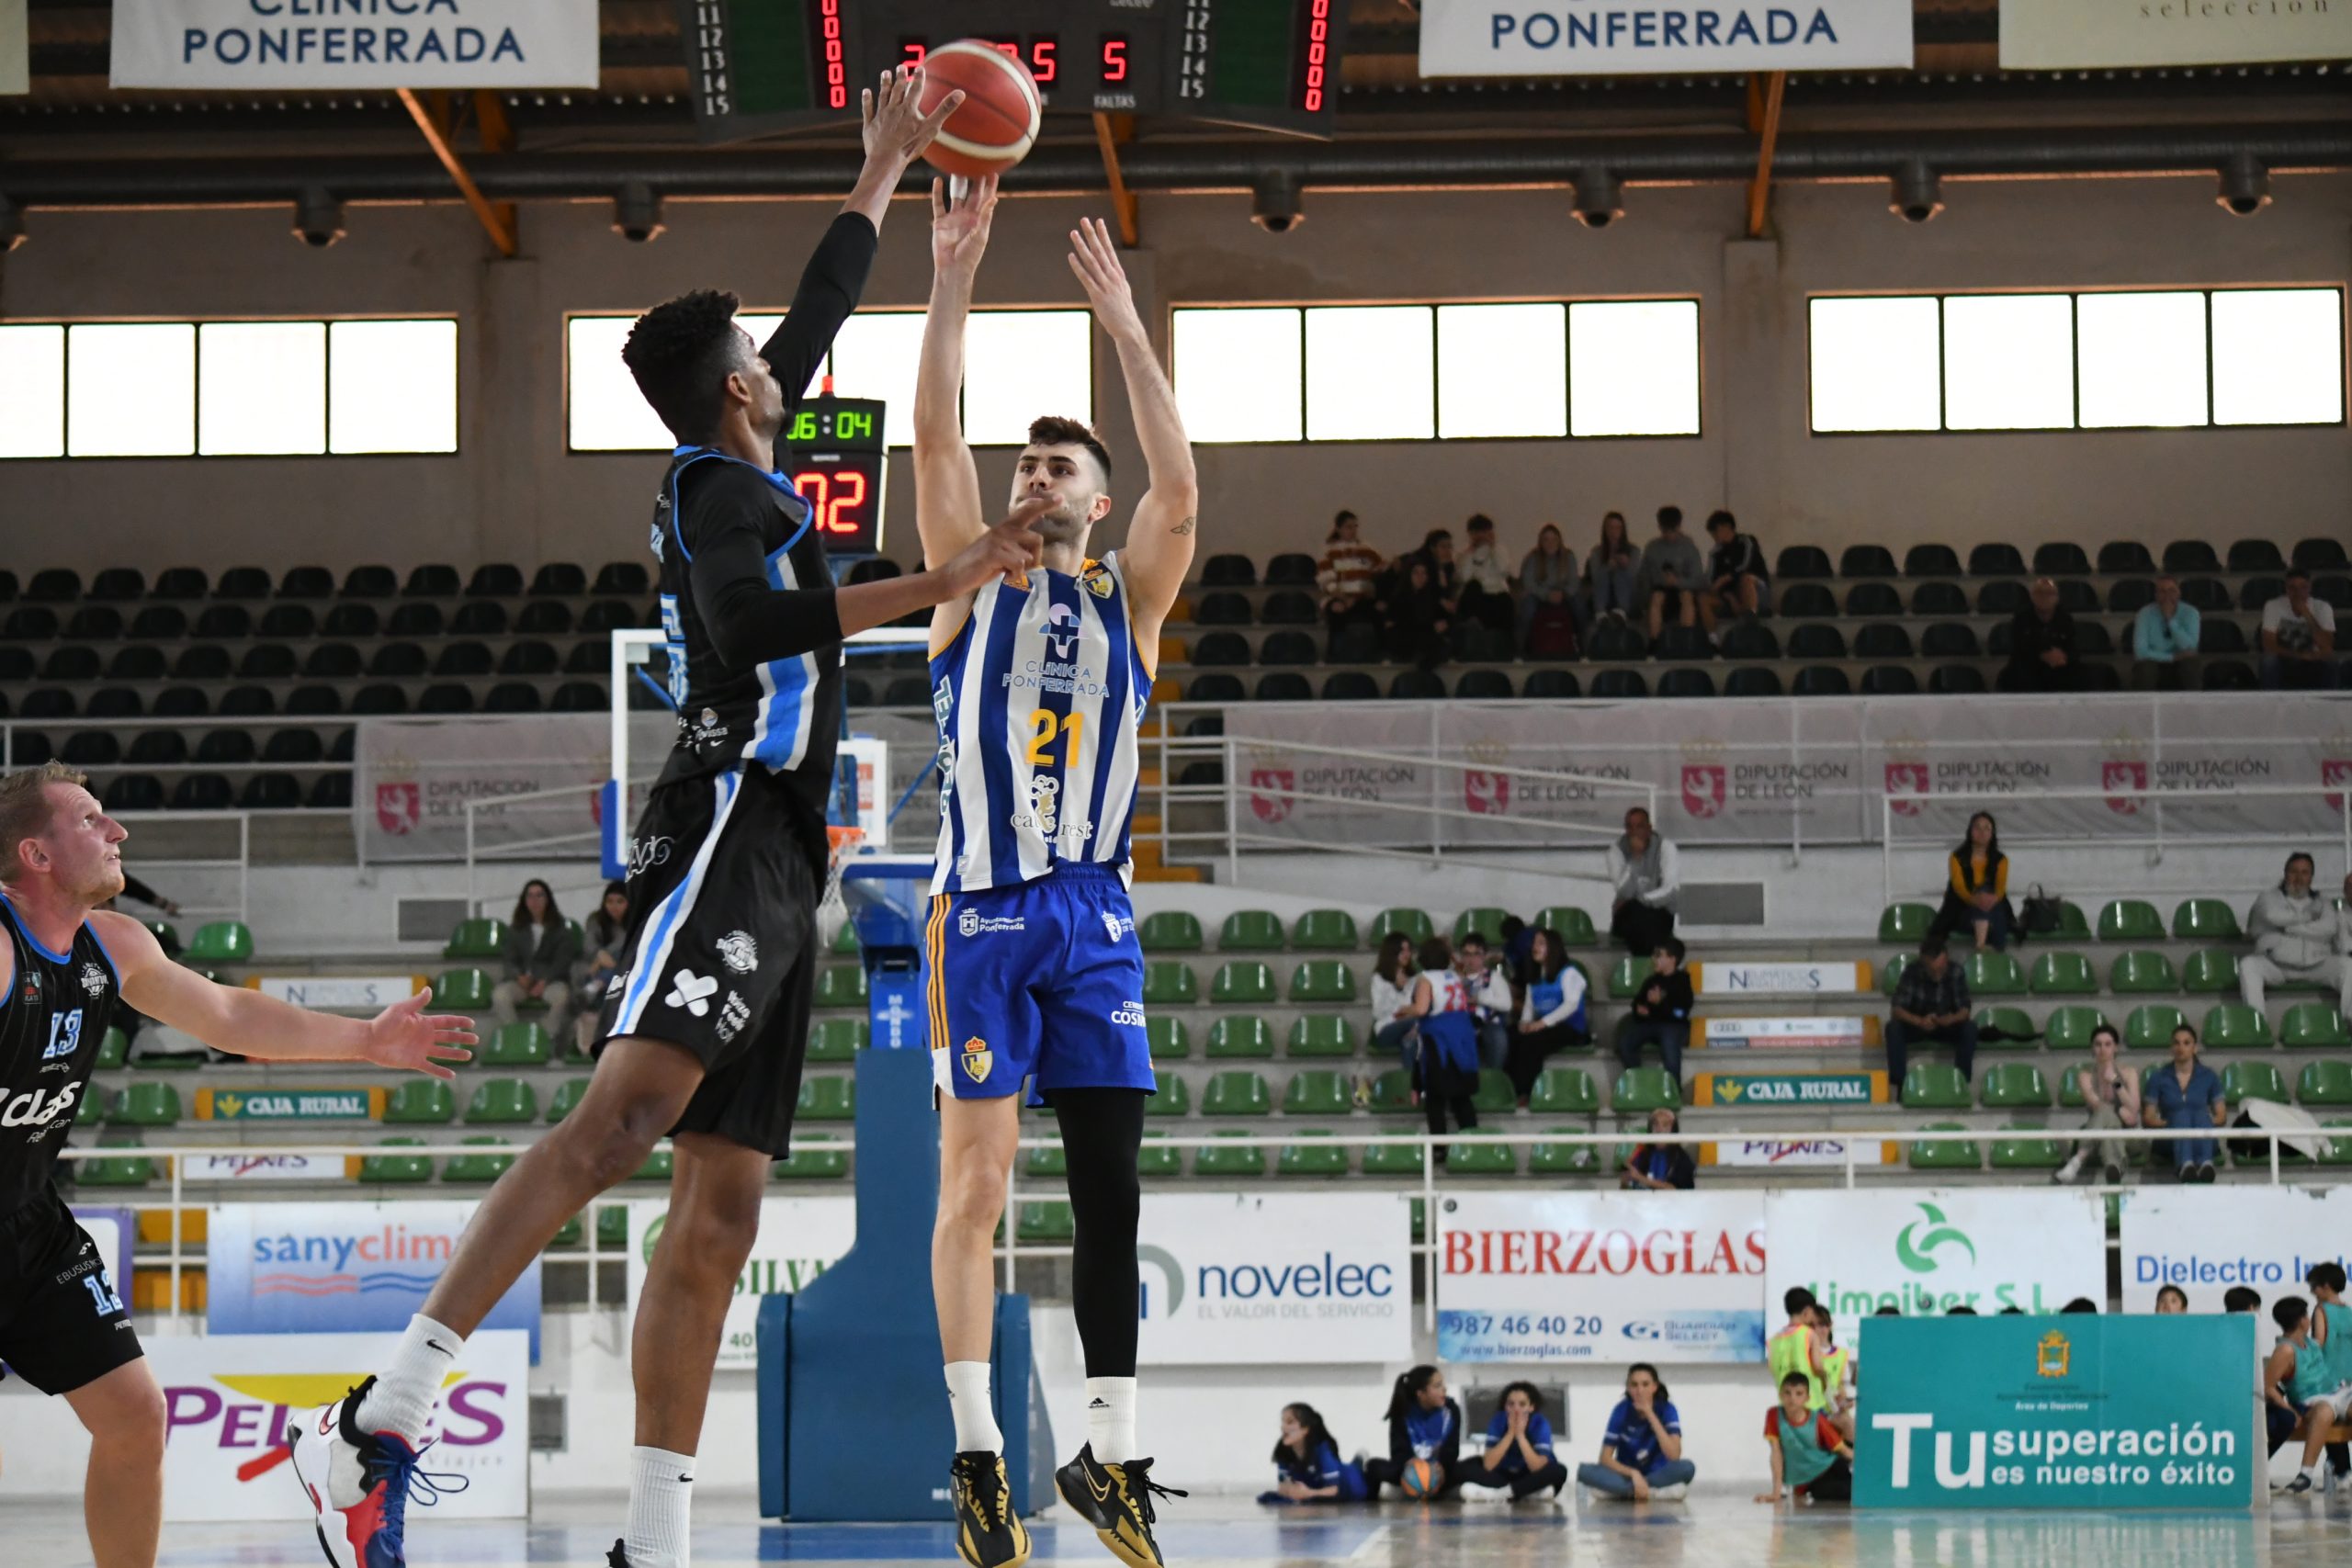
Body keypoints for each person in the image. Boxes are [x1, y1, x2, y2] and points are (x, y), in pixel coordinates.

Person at [293, 73, 1028, 1568]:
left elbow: (818, 310)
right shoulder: (712, 496)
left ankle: (654, 1539)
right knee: (622, 1119)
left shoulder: (743, 454)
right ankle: (380, 1410)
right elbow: (763, 628)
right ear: (739, 390)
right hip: (726, 832)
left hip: (786, 856)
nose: (784, 360)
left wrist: (879, 163)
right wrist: (943, 585)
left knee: (725, 1204)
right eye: (764, 358)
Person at [915, 178, 1201, 1568]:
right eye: (1025, 464)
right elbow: (927, 430)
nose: (1036, 477)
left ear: (1097, 501)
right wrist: (951, 274)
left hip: (1092, 913)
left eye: (1058, 467)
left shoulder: (1127, 601)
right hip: (981, 911)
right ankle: (978, 1457)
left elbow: (1185, 491)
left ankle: (1111, 1453)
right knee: (975, 1193)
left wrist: (1126, 326)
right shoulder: (970, 585)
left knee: (1113, 1193)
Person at [0, 761, 471, 1568]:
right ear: (36, 854)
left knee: (135, 1415)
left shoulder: (112, 945)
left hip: (29, 1224)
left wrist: (365, 1038)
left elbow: (230, 1015)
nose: (118, 833)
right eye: (90, 820)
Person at [2244, 852, 2352, 1014]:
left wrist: (2288, 929)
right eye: (2293, 871)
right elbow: (2273, 917)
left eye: (2304, 872)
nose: (2298, 877)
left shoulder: (2323, 902)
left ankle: (2350, 1019)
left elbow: (2328, 928)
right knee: (2249, 965)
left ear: (2311, 877)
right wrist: (2310, 918)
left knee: (2348, 965)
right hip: (2277, 964)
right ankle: (2256, 1022)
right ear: (2285, 873)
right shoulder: (2268, 897)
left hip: (2316, 964)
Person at [1405, 936, 1482, 1152]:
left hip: (1440, 1041)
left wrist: (1404, 1010)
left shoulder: (1425, 980)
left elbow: (1421, 1009)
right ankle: (1474, 1145)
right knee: (1461, 1098)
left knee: (1435, 1099)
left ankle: (1439, 1149)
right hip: (1462, 1038)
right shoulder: (1454, 977)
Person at [1576, 1364, 1692, 1502]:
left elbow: (1674, 1455)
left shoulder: (1667, 1409)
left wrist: (1650, 1414)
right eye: (1634, 1385)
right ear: (1628, 1388)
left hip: (1657, 1474)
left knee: (1687, 1467)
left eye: (1645, 1385)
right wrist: (1634, 1474)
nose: (1639, 1390)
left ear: (1655, 1387)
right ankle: (1650, 1492)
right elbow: (1605, 1458)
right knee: (1584, 1472)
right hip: (1627, 1475)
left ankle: (1628, 1492)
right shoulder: (1621, 1410)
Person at [2278, 1290, 2352, 1494]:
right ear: (2303, 1321)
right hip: (2310, 1400)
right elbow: (2268, 1386)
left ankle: (2342, 1471)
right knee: (2325, 1412)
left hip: (2336, 1393)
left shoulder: (2311, 1344)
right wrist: (2289, 1410)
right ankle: (2306, 1475)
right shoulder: (2285, 1350)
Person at [490, 878, 581, 1045]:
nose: (535, 901)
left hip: (551, 981)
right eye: (530, 896)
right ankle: (515, 1037)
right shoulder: (515, 929)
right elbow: (509, 960)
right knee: (500, 995)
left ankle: (544, 1039)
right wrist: (519, 977)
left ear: (548, 900)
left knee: (562, 996)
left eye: (540, 896)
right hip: (522, 982)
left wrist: (545, 981)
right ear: (524, 901)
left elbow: (563, 962)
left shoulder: (561, 930)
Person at [1503, 928, 1589, 1100]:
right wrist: (1525, 1023)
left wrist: (1541, 1024)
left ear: (1553, 947)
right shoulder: (1535, 976)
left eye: (1541, 943)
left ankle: (1526, 1092)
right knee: (1511, 1035)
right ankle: (1507, 1088)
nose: (1535, 947)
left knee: (1532, 1042)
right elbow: (1529, 1005)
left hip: (1569, 1027)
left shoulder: (1569, 973)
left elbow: (1571, 1005)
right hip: (1544, 1025)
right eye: (1534, 943)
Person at [2055, 1024, 2139, 1187]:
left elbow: (2134, 1110)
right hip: (2099, 1134)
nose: (2103, 1049)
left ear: (2115, 1047)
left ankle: (2078, 1160)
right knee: (2106, 1114)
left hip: (2127, 1135)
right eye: (2098, 1044)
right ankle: (2114, 1167)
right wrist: (2121, 1110)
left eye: (2108, 1044)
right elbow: (2097, 1106)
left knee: (2108, 1116)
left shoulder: (2129, 1073)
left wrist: (2115, 1082)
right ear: (2093, 1048)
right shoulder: (2085, 1076)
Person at [1886, 938, 1977, 1088]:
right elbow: (1897, 1009)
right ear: (1924, 962)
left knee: (1970, 1029)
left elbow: (1965, 1010)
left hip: (1946, 1025)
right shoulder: (1912, 972)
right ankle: (1900, 1083)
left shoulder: (1956, 971)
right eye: (1934, 969)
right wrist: (1919, 1021)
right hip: (1917, 1024)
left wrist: (1950, 1019)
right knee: (1893, 1028)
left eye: (1942, 967)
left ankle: (1961, 1080)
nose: (1938, 972)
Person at [1457, 1382, 1569, 1503]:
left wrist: (1520, 1435)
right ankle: (1525, 1493)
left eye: (1522, 1404)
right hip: (1504, 1474)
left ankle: (1503, 1493)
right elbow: (1488, 1465)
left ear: (1531, 1407)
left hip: (1529, 1474)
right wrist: (1510, 1433)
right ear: (1505, 1406)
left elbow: (1536, 1467)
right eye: (1511, 1404)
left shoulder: (1540, 1423)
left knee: (1559, 1471)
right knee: (1466, 1466)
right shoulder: (1498, 1420)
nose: (1516, 1409)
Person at [1362, 1366, 1463, 1498]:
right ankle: (1408, 1488)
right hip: (1411, 1471)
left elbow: (1452, 1447)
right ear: (1421, 1393)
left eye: (1443, 1384)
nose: (1444, 1389)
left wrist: (1442, 1466)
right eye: (1437, 1386)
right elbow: (1398, 1450)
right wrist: (1410, 1464)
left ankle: (1440, 1490)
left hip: (1439, 1471)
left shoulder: (1451, 1410)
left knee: (1468, 1468)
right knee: (1373, 1466)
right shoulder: (1402, 1412)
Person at [1755, 1371, 1854, 1506]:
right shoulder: (1774, 1415)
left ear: (1807, 1398)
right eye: (1787, 1393)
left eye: (1799, 1393)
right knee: (1839, 1492)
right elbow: (1776, 1453)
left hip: (1831, 1467)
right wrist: (1776, 1492)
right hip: (1812, 1483)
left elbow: (1843, 1450)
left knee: (1857, 1490)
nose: (1792, 1399)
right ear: (1780, 1395)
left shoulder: (1816, 1419)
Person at [2147, 1023, 2224, 1183]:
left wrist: (2200, 1123)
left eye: (2186, 1043)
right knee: (2182, 1115)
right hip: (2170, 1138)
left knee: (2200, 1115)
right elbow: (2148, 1117)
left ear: (2195, 1048)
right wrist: (2173, 1123)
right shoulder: (2158, 1077)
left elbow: (2221, 1116)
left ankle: (2205, 1165)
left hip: (2202, 1135)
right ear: (2171, 1047)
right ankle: (2185, 1166)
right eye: (2176, 1043)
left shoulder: (2209, 1076)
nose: (2181, 1047)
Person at [1931, 810, 2013, 952]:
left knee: (1991, 899)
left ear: (1992, 834)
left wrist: (1990, 900)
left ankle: (1983, 948)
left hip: (1992, 910)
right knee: (1983, 893)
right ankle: (1995, 952)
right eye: (1977, 827)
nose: (1982, 832)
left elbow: (2000, 890)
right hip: (1963, 912)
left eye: (1987, 828)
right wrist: (1976, 899)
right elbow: (1959, 888)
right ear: (1970, 831)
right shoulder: (1957, 857)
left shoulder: (2001, 860)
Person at [1615, 937, 1692, 1087]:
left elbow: (1681, 1013)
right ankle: (1640, 1082)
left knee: (1669, 1043)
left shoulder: (1682, 981)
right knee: (1626, 1043)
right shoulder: (1651, 981)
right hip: (1650, 1024)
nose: (1654, 959)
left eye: (1659, 955)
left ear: (1672, 959)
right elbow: (1637, 1003)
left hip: (1674, 1026)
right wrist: (1640, 1010)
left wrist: (1660, 1003)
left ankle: (1673, 1088)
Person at [1605, 807, 1679, 955]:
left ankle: (1642, 965)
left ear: (1649, 828)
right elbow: (1624, 892)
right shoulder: (1616, 851)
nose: (1634, 832)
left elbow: (1670, 891)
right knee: (1637, 918)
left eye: (1639, 826)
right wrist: (1635, 859)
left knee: (1644, 920)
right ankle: (1651, 966)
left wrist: (1640, 900)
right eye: (1629, 827)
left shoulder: (1666, 847)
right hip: (1628, 915)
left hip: (1659, 912)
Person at [1261, 1404, 1367, 1505]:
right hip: (1316, 1485)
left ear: (1305, 1429)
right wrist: (1288, 1490)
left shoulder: (1322, 1451)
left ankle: (1359, 1460)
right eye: (1282, 1422)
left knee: (1356, 1470)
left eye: (1289, 1422)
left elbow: (1334, 1490)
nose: (1283, 1427)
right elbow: (1283, 1485)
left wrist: (1308, 1493)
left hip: (1352, 1484)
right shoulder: (1283, 1452)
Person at [574, 881, 632, 1056]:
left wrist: (602, 956)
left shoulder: (637, 920)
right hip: (601, 974)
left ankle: (596, 986)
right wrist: (599, 956)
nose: (614, 907)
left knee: (619, 965)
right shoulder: (596, 920)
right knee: (581, 968)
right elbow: (588, 947)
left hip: (626, 973)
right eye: (610, 901)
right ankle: (598, 985)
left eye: (620, 901)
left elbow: (629, 948)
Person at [1316, 511, 1383, 653]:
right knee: (1337, 611)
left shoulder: (1367, 548)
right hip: (1339, 597)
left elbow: (1378, 569)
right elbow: (1327, 581)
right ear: (1339, 529)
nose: (1353, 531)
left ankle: (1378, 652)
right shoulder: (1328, 550)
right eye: (1348, 527)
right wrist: (1345, 599)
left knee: (1380, 610)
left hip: (1363, 597)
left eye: (1355, 527)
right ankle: (1335, 653)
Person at [1635, 506, 1704, 644]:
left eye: (1672, 531)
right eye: (1665, 531)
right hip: (1660, 591)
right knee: (1657, 597)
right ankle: (1655, 641)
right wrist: (1643, 602)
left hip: (1683, 590)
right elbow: (1644, 576)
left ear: (1679, 527)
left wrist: (1677, 582)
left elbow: (1698, 579)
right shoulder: (1653, 547)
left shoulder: (1689, 548)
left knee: (1686, 596)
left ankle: (1687, 639)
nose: (1669, 535)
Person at [2261, 568, 2339, 690]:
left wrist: (2307, 614)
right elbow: (2268, 644)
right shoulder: (2273, 606)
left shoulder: (2323, 607)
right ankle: (2270, 703)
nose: (2298, 592)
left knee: (2331, 662)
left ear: (2310, 588)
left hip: (2313, 659)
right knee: (2268, 661)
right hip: (2284, 658)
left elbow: (2327, 646)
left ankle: (2329, 705)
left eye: (2303, 587)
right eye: (2292, 588)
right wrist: (2298, 655)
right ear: (2286, 589)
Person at [2003, 577, 2083, 694]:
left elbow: (2073, 646)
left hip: (2059, 666)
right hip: (2029, 665)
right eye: (2040, 593)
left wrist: (2063, 657)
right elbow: (2018, 647)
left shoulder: (2065, 618)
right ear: (2032, 597)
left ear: (2057, 598)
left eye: (2050, 593)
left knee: (2077, 673)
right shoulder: (2021, 618)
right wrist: (2042, 654)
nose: (2045, 597)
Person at [1700, 508, 1768, 637]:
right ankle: (1712, 640)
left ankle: (1750, 620)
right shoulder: (1715, 553)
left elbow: (1745, 566)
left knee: (1746, 579)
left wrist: (1726, 578)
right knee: (1703, 598)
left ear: (1727, 527)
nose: (1714, 535)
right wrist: (1729, 596)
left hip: (1755, 590)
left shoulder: (1746, 541)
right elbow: (1711, 580)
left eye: (1716, 531)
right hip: (1729, 594)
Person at [1454, 931, 1514, 1071]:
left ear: (1484, 956)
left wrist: (1480, 999)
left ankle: (1495, 1075)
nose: (1471, 959)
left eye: (1476, 954)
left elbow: (1507, 1004)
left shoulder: (1494, 978)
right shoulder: (1454, 977)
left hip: (1488, 1023)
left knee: (1498, 1037)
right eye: (1467, 954)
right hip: (1461, 1022)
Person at [1517, 524, 1578, 657]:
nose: (1550, 543)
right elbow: (1529, 583)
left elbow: (1574, 582)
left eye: (1554, 539)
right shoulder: (1533, 557)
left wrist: (1563, 594)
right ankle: (1523, 648)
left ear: (1559, 541)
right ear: (1541, 542)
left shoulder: (1568, 556)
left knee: (1579, 606)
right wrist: (1546, 594)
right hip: (1539, 595)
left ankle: (1581, 647)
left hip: (1563, 594)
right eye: (1546, 539)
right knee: (1528, 608)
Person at [2132, 574, 2201, 691]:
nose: (2167, 596)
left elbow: (2190, 647)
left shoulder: (2191, 613)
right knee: (2145, 669)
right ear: (2156, 595)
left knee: (2191, 664)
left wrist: (2170, 620)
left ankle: (2194, 706)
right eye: (2162, 591)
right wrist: (2172, 657)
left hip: (2182, 662)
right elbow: (2140, 652)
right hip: (2154, 661)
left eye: (2172, 591)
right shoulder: (2144, 613)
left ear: (2179, 593)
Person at [1768, 1289, 1831, 1416]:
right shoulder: (1809, 1334)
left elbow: (1772, 1368)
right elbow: (1818, 1366)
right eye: (1813, 1312)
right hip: (1811, 1404)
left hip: (1786, 1406)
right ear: (1807, 1312)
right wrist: (1826, 1377)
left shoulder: (1773, 1340)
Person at [1383, 556, 1454, 671]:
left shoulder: (1431, 598)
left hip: (1425, 638)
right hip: (1405, 640)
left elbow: (1442, 619)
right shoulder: (1398, 598)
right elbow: (1398, 625)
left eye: (1424, 573)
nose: (1420, 577)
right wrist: (1431, 628)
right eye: (1416, 573)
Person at [1368, 931, 1421, 1080]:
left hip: (1411, 1028)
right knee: (1415, 1023)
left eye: (1408, 950)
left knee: (1409, 1042)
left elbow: (1418, 1006)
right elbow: (1378, 1012)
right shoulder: (1379, 979)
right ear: (1391, 952)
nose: (1407, 954)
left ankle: (1413, 1088)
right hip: (1387, 1027)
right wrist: (1398, 989)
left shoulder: (1414, 978)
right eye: (1402, 950)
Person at [1580, 510, 1639, 632]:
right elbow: (1595, 578)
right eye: (1611, 527)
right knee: (1605, 572)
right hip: (1603, 595)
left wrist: (1625, 565)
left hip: (1627, 597)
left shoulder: (1633, 550)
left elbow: (1635, 577)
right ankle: (1600, 613)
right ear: (1605, 530)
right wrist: (1607, 567)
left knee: (1619, 573)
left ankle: (1621, 611)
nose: (1614, 532)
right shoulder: (1597, 552)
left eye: (1618, 528)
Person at [1456, 513, 1516, 634]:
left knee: (1505, 602)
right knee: (1472, 588)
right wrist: (1471, 552)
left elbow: (1504, 570)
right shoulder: (1465, 555)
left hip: (1497, 592)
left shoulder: (1500, 550)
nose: (1480, 536)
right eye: (1476, 532)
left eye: (1483, 531)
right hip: (1478, 595)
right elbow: (1465, 577)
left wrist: (1492, 547)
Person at [1622, 1107, 1695, 1190]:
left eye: (1665, 1125)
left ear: (1673, 1131)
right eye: (1655, 1124)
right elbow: (1625, 1191)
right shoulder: (1642, 1155)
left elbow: (1673, 1190)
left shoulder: (1682, 1159)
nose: (1659, 1130)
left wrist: (1640, 1178)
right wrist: (1624, 1182)